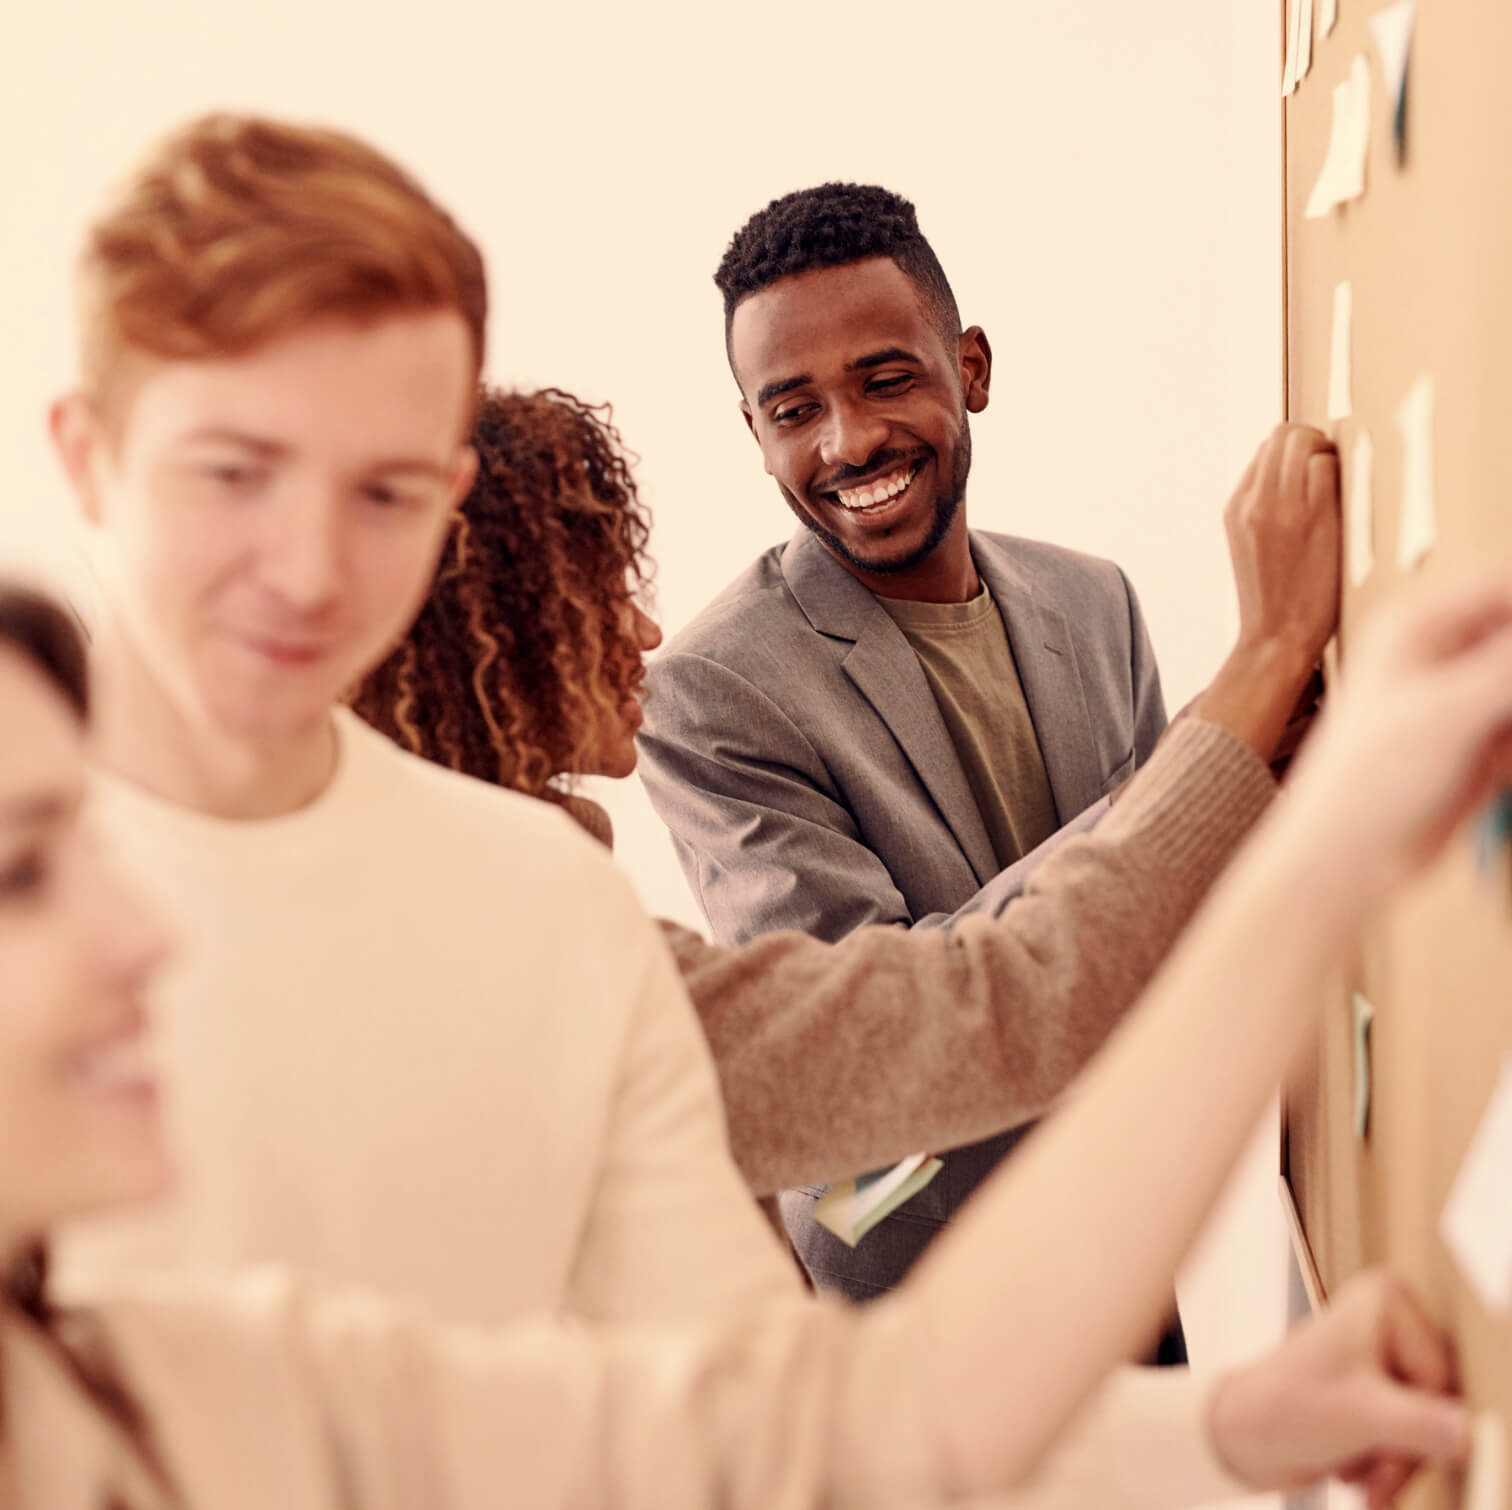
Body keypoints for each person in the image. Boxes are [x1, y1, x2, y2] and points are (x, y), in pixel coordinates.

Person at [0, 576, 1498, 1507]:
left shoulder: (178, 1390)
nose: (146, 933)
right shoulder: (538, 956)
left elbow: (809, 1441)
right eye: (25, 871)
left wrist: (1222, 1425)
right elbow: (996, 1004)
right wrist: (1286, 740)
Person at [47, 112, 801, 1326]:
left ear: (443, 504)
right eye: (233, 472)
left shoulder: (552, 906)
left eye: (386, 493)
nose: (306, 570)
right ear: (86, 458)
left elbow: (752, 1401)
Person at [636, 182, 1340, 1302]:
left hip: (1128, 1256)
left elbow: (1166, 939)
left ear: (971, 366)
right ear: (755, 432)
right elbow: (878, 1051)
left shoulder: (1092, 602)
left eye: (885, 378)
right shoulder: (708, 694)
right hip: (919, 1299)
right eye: (793, 408)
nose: (849, 439)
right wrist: (1211, 754)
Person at [356, 387, 1320, 1204]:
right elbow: (985, 1008)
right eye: (595, 598)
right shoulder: (541, 964)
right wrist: (1260, 667)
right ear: (481, 649)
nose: (644, 631)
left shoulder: (498, 911)